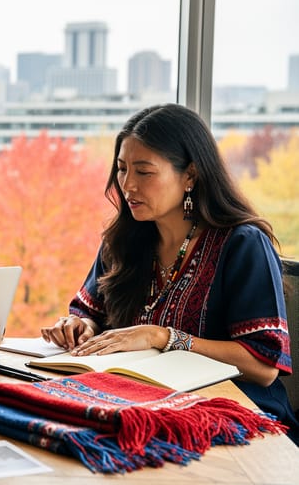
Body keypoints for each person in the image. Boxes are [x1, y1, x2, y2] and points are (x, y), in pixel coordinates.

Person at [40, 103, 298, 444]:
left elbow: (263, 367)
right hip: (138, 409)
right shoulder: (123, 240)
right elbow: (90, 315)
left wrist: (162, 337)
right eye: (121, 169)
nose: (127, 185)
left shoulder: (241, 244)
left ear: (190, 175)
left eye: (144, 172)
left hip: (235, 418)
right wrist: (78, 328)